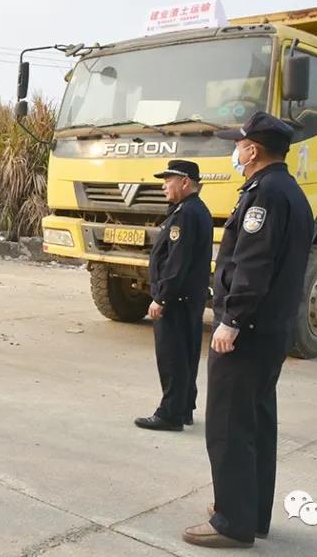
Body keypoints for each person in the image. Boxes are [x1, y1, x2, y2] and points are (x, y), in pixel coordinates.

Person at [182, 113, 313, 549]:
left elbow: (253, 264)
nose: (234, 153)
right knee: (256, 422)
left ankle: (232, 522)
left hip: (249, 330)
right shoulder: (287, 190)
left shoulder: (266, 195)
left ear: (253, 150)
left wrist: (232, 320)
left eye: (237, 146)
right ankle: (250, 512)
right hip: (270, 328)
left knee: (229, 425)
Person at [135, 159, 212, 432]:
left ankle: (170, 414)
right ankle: (184, 407)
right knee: (186, 354)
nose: (164, 186)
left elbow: (177, 262)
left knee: (172, 357)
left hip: (176, 300)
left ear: (185, 182)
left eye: (169, 181)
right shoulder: (194, 210)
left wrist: (162, 297)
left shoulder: (186, 214)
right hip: (188, 297)